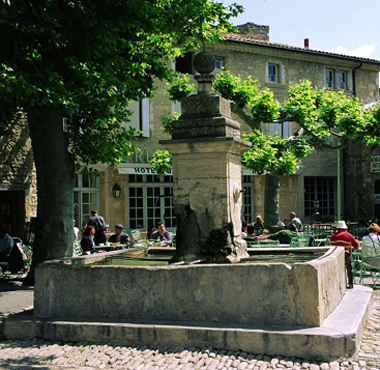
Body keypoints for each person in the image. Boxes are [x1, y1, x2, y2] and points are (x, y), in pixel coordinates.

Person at [330, 220, 359, 289]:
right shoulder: (348, 235)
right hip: (346, 257)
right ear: (345, 228)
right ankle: (350, 282)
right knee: (350, 260)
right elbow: (357, 246)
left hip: (335, 257)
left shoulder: (332, 237)